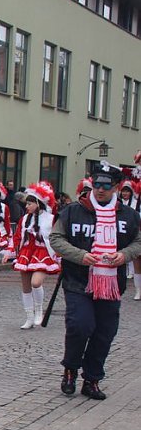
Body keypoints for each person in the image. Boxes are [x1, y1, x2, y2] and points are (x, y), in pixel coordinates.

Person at [50, 162, 141, 400]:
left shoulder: (128, 215)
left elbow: (138, 242)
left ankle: (92, 379)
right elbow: (56, 239)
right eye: (97, 185)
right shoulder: (73, 210)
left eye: (106, 186)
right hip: (78, 280)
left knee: (104, 332)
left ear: (116, 187)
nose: (100, 190)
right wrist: (80, 256)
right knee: (80, 326)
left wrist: (124, 255)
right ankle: (70, 369)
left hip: (111, 284)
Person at [2, 182, 60, 328]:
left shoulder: (51, 218)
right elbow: (16, 237)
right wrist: (9, 251)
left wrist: (59, 255)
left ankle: (39, 309)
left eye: (29, 203)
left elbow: (57, 238)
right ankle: (29, 317)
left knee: (36, 282)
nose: (26, 206)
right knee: (26, 286)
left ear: (38, 203)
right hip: (27, 252)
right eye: (26, 203)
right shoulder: (25, 219)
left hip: (43, 253)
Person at [117, 175, 141, 299]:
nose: (125, 193)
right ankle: (138, 290)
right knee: (136, 260)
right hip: (134, 232)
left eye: (128, 191)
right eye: (124, 191)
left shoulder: (136, 203)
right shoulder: (120, 203)